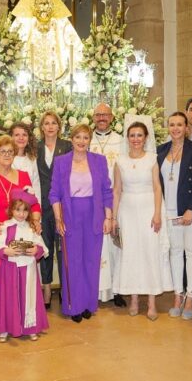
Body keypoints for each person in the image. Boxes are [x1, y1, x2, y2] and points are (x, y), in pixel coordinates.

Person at [49, 124, 114, 322]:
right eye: (78, 137)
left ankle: (88, 304)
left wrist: (108, 217)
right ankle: (73, 306)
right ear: (71, 139)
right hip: (69, 215)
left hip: (94, 215)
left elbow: (106, 191)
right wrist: (59, 219)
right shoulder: (61, 162)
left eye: (85, 138)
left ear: (90, 140)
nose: (81, 141)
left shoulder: (99, 161)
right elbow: (54, 193)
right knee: (73, 262)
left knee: (91, 261)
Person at [114, 121, 172, 320]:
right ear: (127, 138)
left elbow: (157, 187)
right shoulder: (120, 160)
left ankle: (152, 302)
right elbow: (117, 190)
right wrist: (114, 217)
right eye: (132, 135)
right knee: (131, 253)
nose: (136, 139)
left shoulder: (152, 159)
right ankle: (134, 299)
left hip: (149, 208)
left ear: (146, 137)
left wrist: (157, 214)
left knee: (149, 252)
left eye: (140, 135)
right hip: (127, 210)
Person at [0, 136, 41, 293]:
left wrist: (36, 221)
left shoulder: (23, 176)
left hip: (20, 232)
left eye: (10, 151)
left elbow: (34, 204)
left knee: (19, 276)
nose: (7, 155)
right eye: (2, 151)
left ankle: (19, 312)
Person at [156, 112, 192, 320]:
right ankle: (178, 295)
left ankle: (191, 295)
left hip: (190, 209)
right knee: (175, 252)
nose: (175, 128)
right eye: (172, 124)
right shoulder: (161, 151)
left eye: (179, 125)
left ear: (186, 128)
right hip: (169, 211)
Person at [0, 192, 50, 342]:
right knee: (9, 297)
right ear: (11, 210)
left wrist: (36, 250)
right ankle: (5, 328)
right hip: (10, 269)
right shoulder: (5, 226)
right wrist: (6, 251)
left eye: (25, 210)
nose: (21, 214)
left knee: (29, 297)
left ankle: (30, 326)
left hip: (28, 269)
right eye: (18, 209)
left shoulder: (31, 228)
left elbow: (42, 247)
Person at [90, 103, 126, 307]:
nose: (102, 117)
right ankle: (95, 289)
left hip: (116, 198)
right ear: (93, 117)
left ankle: (117, 289)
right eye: (98, 114)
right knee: (97, 247)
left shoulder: (120, 141)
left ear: (112, 117)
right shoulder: (85, 139)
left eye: (105, 114)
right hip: (93, 202)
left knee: (115, 245)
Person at [35, 111, 72, 308]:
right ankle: (47, 289)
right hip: (42, 205)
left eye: (53, 123)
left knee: (64, 248)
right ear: (41, 127)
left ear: (59, 126)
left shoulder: (67, 146)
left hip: (64, 205)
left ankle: (67, 290)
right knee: (46, 248)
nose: (50, 127)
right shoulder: (36, 147)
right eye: (46, 123)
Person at [9, 122, 41, 204]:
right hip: (6, 205)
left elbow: (36, 186)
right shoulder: (2, 157)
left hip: (27, 208)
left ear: (29, 139)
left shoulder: (32, 160)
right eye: (17, 135)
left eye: (24, 135)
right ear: (10, 137)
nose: (21, 138)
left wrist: (37, 208)